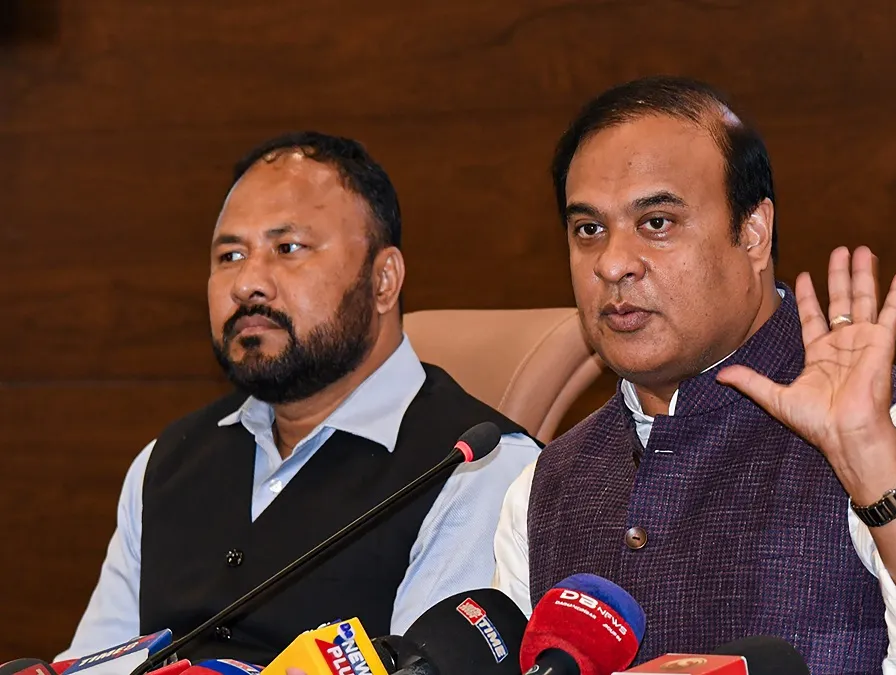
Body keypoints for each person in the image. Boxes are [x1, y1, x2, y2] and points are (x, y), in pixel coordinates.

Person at [492, 77, 896, 674]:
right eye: (589, 230)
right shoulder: (544, 487)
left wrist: (871, 458)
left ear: (753, 233)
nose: (612, 264)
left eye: (657, 222)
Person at [58, 132, 541, 665]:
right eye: (230, 255)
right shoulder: (164, 463)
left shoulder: (476, 471)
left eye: (287, 249)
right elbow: (97, 662)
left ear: (384, 280)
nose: (247, 283)